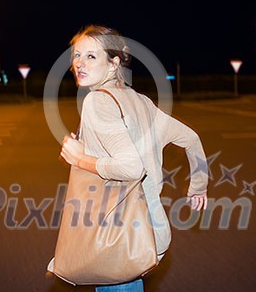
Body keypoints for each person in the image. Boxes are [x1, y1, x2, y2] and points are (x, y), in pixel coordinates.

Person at [59, 25, 209, 292]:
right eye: (77, 55)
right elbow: (191, 139)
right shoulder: (142, 102)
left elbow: (130, 167)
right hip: (152, 230)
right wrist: (198, 186)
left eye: (91, 56)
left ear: (113, 63)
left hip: (118, 235)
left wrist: (80, 159)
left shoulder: (96, 102)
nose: (79, 63)